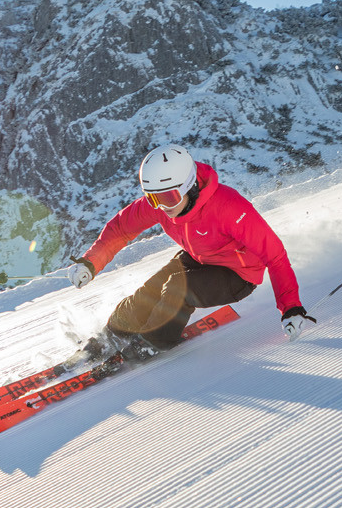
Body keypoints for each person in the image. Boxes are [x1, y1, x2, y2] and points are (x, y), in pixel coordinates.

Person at [66, 144, 315, 355]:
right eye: (154, 198)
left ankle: (153, 343)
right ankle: (113, 334)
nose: (163, 206)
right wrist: (91, 263)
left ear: (190, 186)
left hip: (238, 275)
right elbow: (121, 228)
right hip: (201, 258)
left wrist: (290, 307)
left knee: (177, 286)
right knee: (151, 290)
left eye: (170, 198)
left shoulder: (228, 207)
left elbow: (275, 255)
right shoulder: (160, 204)